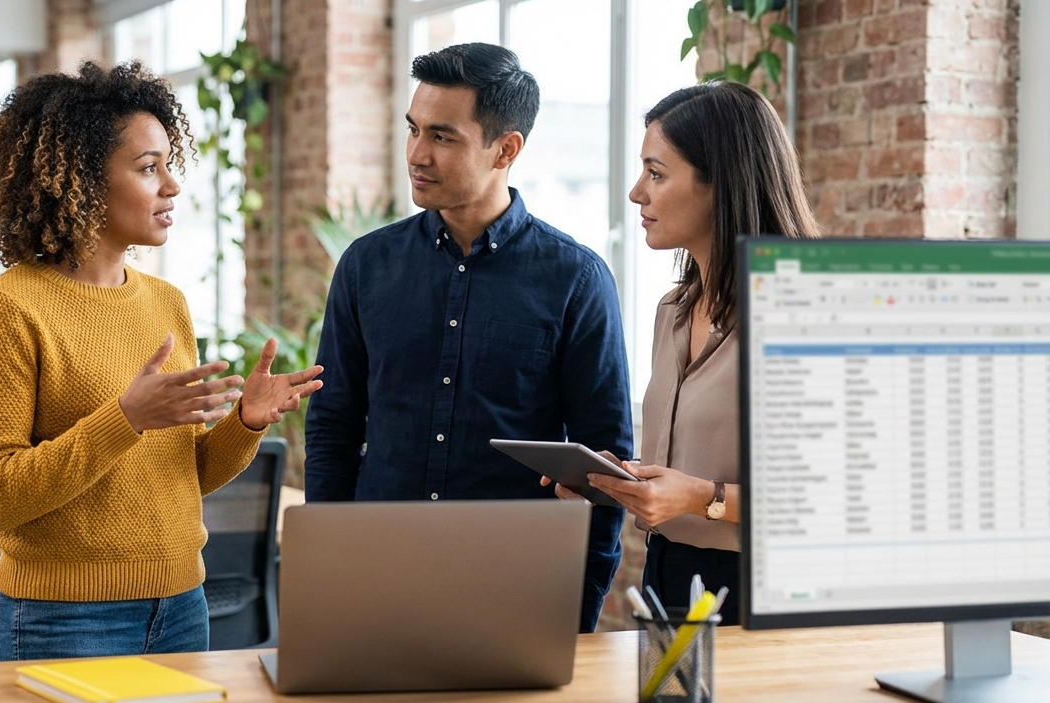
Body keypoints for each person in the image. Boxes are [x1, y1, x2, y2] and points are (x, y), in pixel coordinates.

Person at [0, 61, 323, 661]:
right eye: (149, 168)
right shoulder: (7, 309)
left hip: (182, 604)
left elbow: (185, 477)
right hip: (63, 617)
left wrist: (245, 422)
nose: (172, 186)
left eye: (168, 165)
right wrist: (124, 418)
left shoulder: (166, 304)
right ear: (80, 180)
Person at [305, 43, 633, 632]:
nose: (416, 154)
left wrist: (579, 608)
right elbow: (334, 426)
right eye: (413, 130)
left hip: (515, 583)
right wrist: (329, 567)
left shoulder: (575, 280)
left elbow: (604, 462)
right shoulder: (365, 266)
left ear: (505, 149)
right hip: (380, 574)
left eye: (443, 137)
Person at [549, 81, 820, 625]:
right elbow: (680, 467)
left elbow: (826, 499)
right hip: (667, 570)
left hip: (764, 587)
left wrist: (699, 498)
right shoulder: (672, 309)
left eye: (656, 173)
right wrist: (615, 480)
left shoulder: (801, 310)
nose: (635, 194)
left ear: (720, 183)